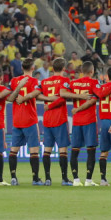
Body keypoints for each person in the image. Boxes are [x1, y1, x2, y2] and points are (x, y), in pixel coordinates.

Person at [7, 58, 43, 186]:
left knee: (13, 151)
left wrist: (19, 91)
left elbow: (10, 98)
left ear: (22, 68)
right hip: (30, 120)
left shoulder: (13, 81)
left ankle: (13, 177)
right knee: (34, 150)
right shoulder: (35, 81)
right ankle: (35, 179)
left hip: (17, 121)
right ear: (33, 68)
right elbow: (38, 92)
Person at [38, 57, 73, 186]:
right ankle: (64, 179)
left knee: (47, 150)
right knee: (62, 150)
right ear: (64, 69)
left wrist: (47, 101)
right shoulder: (65, 80)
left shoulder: (45, 81)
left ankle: (47, 178)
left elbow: (37, 94)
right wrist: (51, 104)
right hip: (59, 119)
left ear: (52, 68)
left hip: (47, 120)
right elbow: (63, 98)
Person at [65, 61, 99, 186]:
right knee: (91, 150)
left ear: (81, 71)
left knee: (75, 150)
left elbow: (63, 94)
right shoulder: (94, 83)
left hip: (77, 122)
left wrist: (76, 96)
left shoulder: (73, 83)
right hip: (89, 120)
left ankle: (76, 180)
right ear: (92, 71)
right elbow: (91, 101)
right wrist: (79, 107)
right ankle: (88, 180)